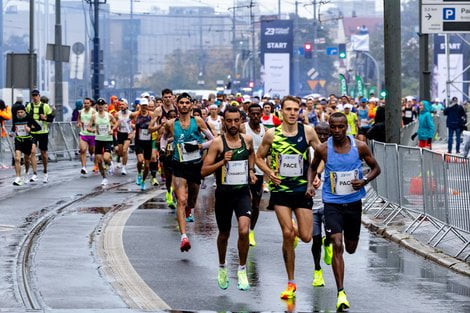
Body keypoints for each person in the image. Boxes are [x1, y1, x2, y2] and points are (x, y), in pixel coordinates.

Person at [310, 112, 381, 311]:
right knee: (338, 245)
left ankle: (330, 242)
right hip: (331, 203)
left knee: (350, 247)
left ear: (346, 127)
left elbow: (376, 168)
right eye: (334, 127)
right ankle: (341, 292)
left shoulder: (359, 147)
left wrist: (364, 181)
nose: (337, 131)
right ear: (330, 127)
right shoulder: (323, 149)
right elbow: (312, 167)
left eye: (341, 127)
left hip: (353, 204)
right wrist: (310, 184)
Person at [255, 95, 321, 299]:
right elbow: (258, 157)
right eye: (288, 109)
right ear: (281, 111)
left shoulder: (307, 131)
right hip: (281, 189)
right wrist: (269, 172)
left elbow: (321, 154)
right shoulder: (271, 134)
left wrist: (316, 175)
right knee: (286, 234)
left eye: (296, 109)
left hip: (302, 190)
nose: (292, 113)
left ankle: (294, 229)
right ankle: (291, 283)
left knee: (306, 236)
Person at [201, 105, 257, 291]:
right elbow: (203, 171)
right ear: (224, 122)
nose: (233, 124)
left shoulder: (247, 140)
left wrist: (250, 171)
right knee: (224, 234)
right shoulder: (217, 143)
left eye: (236, 120)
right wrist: (221, 161)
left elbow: (251, 155)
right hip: (224, 195)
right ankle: (222, 266)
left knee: (243, 230)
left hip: (242, 193)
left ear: (241, 121)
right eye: (229, 121)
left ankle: (241, 269)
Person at [162, 92, 214, 252]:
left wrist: (200, 146)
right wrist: (164, 148)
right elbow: (163, 138)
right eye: (181, 103)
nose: (184, 105)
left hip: (195, 165)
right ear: (177, 105)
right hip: (179, 164)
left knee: (191, 200)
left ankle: (190, 209)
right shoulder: (170, 124)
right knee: (181, 200)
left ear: (191, 105)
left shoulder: (197, 121)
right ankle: (183, 236)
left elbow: (213, 139)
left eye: (187, 103)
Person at [310, 122, 333, 288]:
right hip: (310, 203)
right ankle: (317, 271)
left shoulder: (333, 150)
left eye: (326, 134)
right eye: (320, 133)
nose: (323, 137)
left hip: (329, 202)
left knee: (331, 236)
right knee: (315, 240)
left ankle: (328, 243)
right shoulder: (308, 150)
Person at [241, 103, 266, 247]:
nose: (255, 116)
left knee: (256, 204)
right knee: (245, 200)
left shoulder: (265, 130)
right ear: (248, 113)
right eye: (253, 113)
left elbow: (268, 151)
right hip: (243, 168)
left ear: (262, 113)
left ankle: (251, 231)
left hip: (259, 169)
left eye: (258, 113)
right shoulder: (243, 127)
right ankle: (243, 228)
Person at [87, 98, 118, 186]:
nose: (100, 106)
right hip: (98, 140)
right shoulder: (94, 116)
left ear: (104, 105)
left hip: (107, 139)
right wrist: (92, 130)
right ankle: (104, 178)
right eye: (99, 104)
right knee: (99, 160)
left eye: (102, 104)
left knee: (106, 158)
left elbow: (116, 123)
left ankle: (110, 163)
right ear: (97, 106)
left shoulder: (109, 115)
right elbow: (88, 127)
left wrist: (112, 129)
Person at [26, 89, 55, 183]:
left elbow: (51, 119)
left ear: (39, 96)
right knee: (32, 152)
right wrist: (27, 126)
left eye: (36, 95)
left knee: (43, 153)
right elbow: (26, 118)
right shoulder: (29, 106)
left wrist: (45, 118)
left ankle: (45, 171)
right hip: (33, 133)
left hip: (43, 132)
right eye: (33, 96)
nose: (34, 97)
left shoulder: (45, 106)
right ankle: (34, 174)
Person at [10, 104, 41, 185]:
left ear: (24, 111)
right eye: (18, 112)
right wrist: (12, 132)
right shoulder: (15, 118)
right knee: (17, 158)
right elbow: (14, 128)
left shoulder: (29, 118)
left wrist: (30, 129)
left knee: (27, 159)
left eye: (21, 112)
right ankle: (18, 178)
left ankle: (32, 174)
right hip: (19, 140)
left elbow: (38, 127)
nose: (20, 114)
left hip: (28, 140)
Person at [77, 97, 96, 175]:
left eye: (87, 103)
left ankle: (91, 155)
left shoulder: (93, 112)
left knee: (92, 150)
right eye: (84, 103)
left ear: (90, 104)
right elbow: (78, 119)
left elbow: (97, 121)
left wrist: (92, 126)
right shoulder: (81, 112)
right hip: (83, 133)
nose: (86, 105)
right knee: (83, 150)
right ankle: (83, 167)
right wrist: (78, 123)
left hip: (92, 134)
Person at [115, 99, 133, 175]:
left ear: (127, 105)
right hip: (120, 133)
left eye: (123, 104)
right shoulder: (117, 114)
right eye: (120, 105)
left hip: (128, 134)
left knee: (125, 150)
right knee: (120, 151)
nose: (121, 106)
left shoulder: (131, 114)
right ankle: (118, 158)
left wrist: (133, 132)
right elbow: (114, 123)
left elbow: (135, 123)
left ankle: (124, 167)